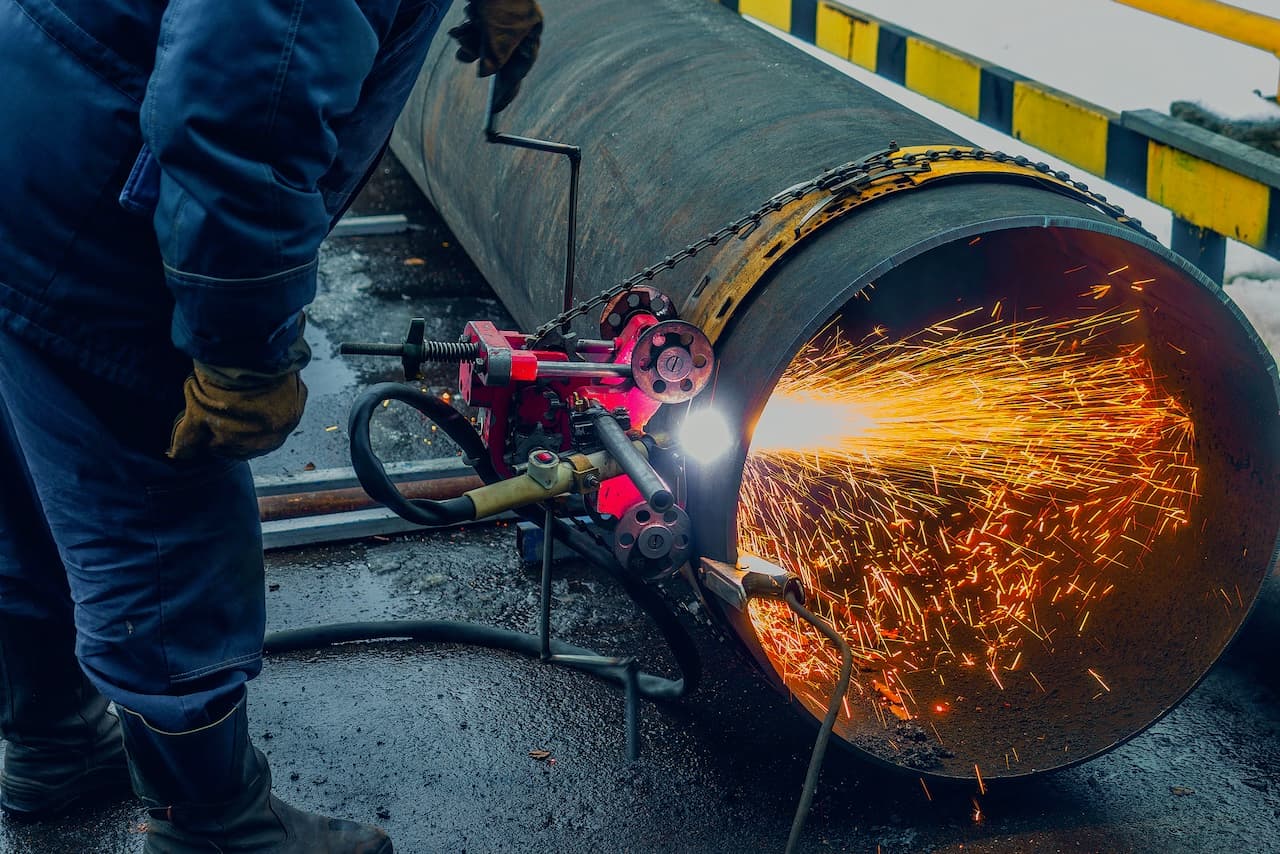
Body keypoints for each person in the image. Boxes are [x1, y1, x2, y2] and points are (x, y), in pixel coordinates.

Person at [0, 0, 542, 850]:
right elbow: (244, 109)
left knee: (34, 485)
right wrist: (242, 350)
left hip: (33, 132)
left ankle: (54, 742)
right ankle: (212, 825)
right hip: (92, 197)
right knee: (158, 526)